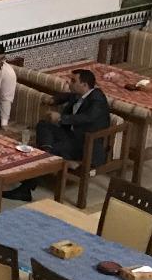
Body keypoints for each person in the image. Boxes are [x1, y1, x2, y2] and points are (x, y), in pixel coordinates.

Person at [23, 69, 113, 201]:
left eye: (73, 81)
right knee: (43, 125)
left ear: (84, 84)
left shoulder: (98, 99)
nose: (69, 83)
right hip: (70, 135)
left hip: (84, 144)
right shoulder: (81, 94)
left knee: (42, 152)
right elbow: (67, 96)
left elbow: (87, 117)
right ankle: (48, 153)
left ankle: (25, 189)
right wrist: (53, 100)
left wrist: (61, 118)